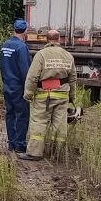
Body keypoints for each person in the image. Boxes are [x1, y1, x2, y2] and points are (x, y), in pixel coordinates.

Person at [22, 28, 77, 160]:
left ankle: (35, 153)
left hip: (43, 95)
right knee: (60, 124)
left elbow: (33, 77)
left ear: (47, 40)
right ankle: (57, 154)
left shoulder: (41, 55)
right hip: (62, 95)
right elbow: (73, 78)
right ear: (59, 40)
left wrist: (28, 94)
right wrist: (72, 97)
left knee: (39, 122)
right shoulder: (68, 55)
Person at [0, 19, 31, 153]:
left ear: (14, 29)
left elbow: (1, 66)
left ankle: (11, 143)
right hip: (19, 86)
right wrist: (30, 88)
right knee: (22, 115)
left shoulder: (5, 45)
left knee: (10, 114)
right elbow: (25, 70)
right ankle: (20, 145)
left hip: (7, 84)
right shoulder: (21, 47)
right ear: (25, 31)